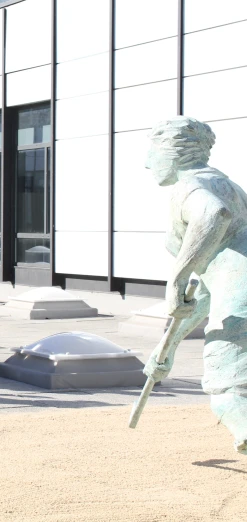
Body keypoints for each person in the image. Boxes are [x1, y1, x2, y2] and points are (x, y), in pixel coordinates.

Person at [141, 116, 247, 453]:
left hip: (240, 304)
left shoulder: (191, 187)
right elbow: (208, 290)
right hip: (233, 294)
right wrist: (167, 350)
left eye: (152, 153)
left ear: (174, 153)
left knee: (228, 395)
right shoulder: (229, 186)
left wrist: (177, 277)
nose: (147, 163)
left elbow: (213, 215)